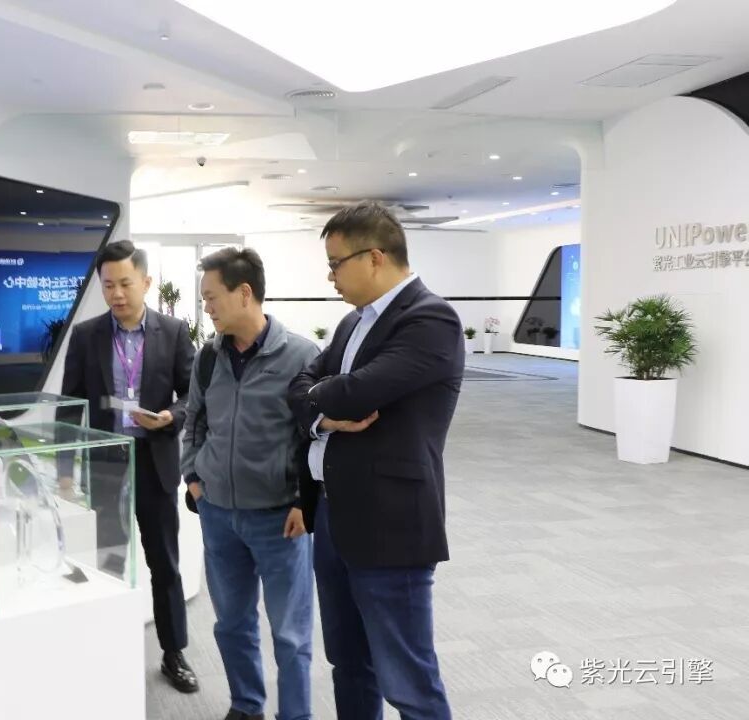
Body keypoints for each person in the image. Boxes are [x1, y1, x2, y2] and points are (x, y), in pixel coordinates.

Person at [288, 202, 462, 720]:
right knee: (349, 664)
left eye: (336, 263)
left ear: (375, 257)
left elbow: (355, 393)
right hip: (332, 514)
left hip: (391, 523)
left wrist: (323, 396)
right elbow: (299, 388)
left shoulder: (430, 319)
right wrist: (324, 412)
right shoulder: (352, 323)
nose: (331, 276)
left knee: (408, 682)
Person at [181, 247, 320, 720]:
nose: (206, 307)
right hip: (218, 514)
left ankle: (295, 715)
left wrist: (305, 501)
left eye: (211, 297)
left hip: (280, 519)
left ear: (244, 293)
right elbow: (194, 421)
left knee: (290, 634)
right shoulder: (208, 357)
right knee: (232, 624)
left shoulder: (301, 356)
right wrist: (193, 478)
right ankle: (246, 705)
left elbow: (315, 438)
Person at [60, 240, 198, 693]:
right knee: (109, 562)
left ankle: (173, 653)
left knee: (165, 563)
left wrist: (170, 417)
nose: (116, 294)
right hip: (107, 463)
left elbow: (193, 395)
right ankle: (111, 651)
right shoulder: (87, 336)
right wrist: (65, 470)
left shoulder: (173, 332)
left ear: (146, 282)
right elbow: (69, 406)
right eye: (108, 286)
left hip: (154, 462)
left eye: (125, 283)